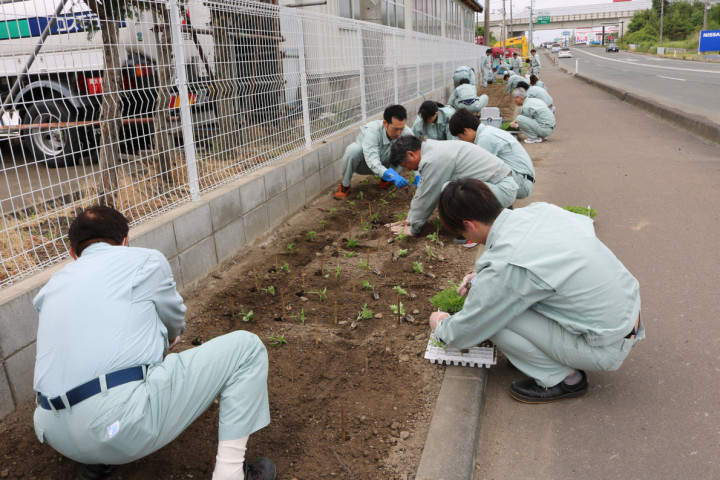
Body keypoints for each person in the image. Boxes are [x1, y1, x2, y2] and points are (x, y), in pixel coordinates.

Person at [32, 206, 275, 480]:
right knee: (247, 348)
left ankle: (98, 463)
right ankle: (231, 475)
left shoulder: (49, 288)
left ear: (73, 253)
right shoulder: (144, 261)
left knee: (99, 370)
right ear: (125, 241)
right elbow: (174, 319)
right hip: (115, 426)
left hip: (52, 431)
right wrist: (169, 338)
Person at [429, 178, 643, 404]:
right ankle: (541, 354)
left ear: (469, 225)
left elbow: (465, 332)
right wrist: (483, 279)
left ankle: (565, 380)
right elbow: (540, 262)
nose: (467, 239)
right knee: (499, 300)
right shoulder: (540, 212)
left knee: (493, 320)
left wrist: (441, 324)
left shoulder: (505, 265)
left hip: (608, 346)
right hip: (629, 314)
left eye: (462, 233)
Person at [384, 135, 518, 241]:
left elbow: (427, 194)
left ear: (411, 154)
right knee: (451, 188)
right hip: (496, 186)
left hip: (502, 190)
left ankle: (476, 233)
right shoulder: (432, 149)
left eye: (406, 165)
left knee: (448, 189)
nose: (408, 169)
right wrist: (410, 219)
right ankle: (492, 214)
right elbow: (424, 189)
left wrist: (413, 228)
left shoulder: (433, 160)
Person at [448, 108, 535, 199]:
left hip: (522, 183)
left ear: (466, 131)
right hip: (523, 178)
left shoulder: (485, 138)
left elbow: (477, 170)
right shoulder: (487, 130)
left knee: (470, 185)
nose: (461, 140)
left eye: (459, 136)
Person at [333, 104, 413, 200]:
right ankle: (345, 186)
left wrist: (418, 175)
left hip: (386, 164)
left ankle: (386, 181)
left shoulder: (406, 132)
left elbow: (415, 154)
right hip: (365, 164)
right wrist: (391, 175)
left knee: (405, 150)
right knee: (353, 150)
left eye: (401, 128)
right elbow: (372, 159)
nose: (398, 133)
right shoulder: (372, 131)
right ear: (385, 123)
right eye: (395, 129)